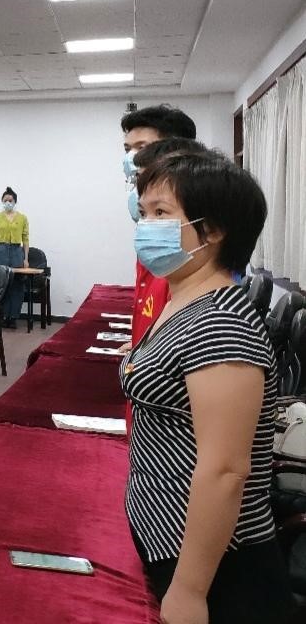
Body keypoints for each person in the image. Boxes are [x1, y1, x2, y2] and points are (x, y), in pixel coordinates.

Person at [122, 149, 292, 623]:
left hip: (219, 567)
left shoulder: (221, 323)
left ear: (213, 230)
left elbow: (225, 471)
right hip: (168, 536)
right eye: (144, 212)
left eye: (161, 213)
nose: (145, 226)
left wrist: (189, 591)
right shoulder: (185, 297)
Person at [122, 104, 198, 348]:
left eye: (142, 147)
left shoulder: (183, 248)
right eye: (127, 149)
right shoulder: (153, 241)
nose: (132, 157)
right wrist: (140, 344)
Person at [0, 187, 29, 328]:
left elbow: (26, 239)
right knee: (2, 284)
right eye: (5, 200)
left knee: (17, 284)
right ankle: (4, 316)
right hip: (1, 250)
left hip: (17, 251)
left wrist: (25, 259)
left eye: (10, 200)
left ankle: (14, 317)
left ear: (15, 202)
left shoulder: (22, 218)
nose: (8, 203)